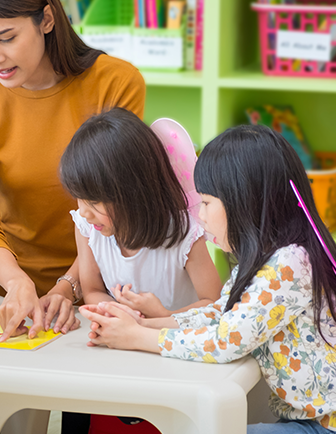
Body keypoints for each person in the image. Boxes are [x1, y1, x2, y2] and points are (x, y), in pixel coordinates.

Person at [81, 125, 336, 434]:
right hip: (310, 424)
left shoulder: (290, 263)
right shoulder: (269, 258)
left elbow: (226, 340)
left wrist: (139, 337)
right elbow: (221, 312)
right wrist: (148, 322)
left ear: (247, 199)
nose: (199, 215)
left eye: (206, 202)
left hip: (326, 432)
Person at [0, 0, 146, 343]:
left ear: (47, 20)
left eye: (6, 37)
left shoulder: (116, 83)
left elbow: (117, 210)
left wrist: (69, 285)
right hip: (4, 292)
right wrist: (17, 284)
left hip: (101, 289)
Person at [58, 108, 221, 319]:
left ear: (133, 192)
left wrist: (160, 317)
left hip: (173, 343)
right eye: (79, 197)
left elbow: (213, 304)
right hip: (127, 342)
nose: (83, 211)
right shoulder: (88, 227)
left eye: (94, 201)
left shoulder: (184, 234)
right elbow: (93, 291)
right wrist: (125, 314)